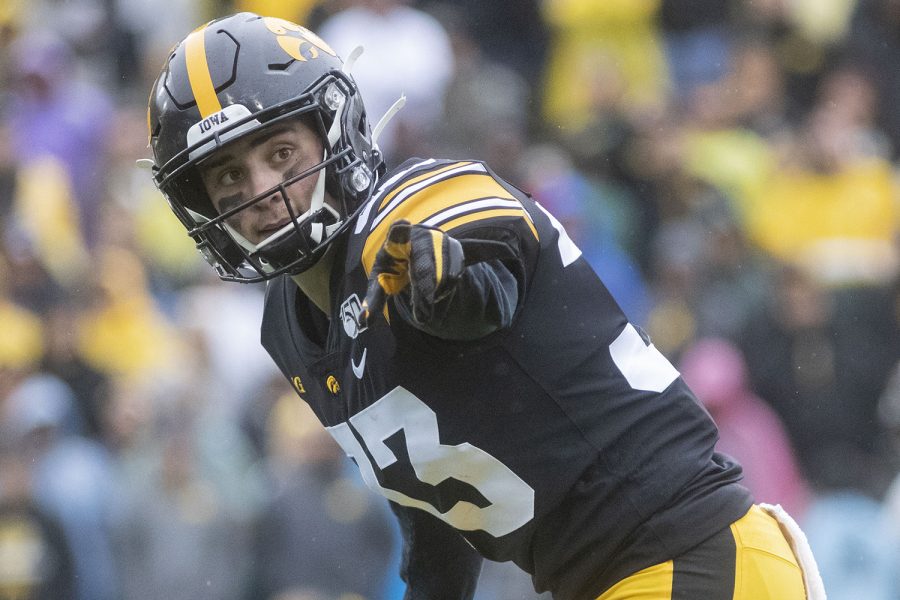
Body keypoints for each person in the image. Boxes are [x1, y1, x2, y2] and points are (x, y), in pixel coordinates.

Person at [144, 12, 825, 600]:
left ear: (334, 131)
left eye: (281, 153)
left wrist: (445, 282)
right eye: (230, 176)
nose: (263, 189)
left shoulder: (414, 203)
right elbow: (440, 505)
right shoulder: (288, 327)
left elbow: (484, 284)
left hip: (692, 556)